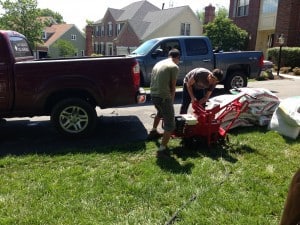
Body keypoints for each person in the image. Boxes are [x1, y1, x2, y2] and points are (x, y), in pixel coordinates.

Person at [147, 48, 180, 158]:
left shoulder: (159, 63)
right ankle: (162, 150)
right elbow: (173, 86)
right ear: (177, 58)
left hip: (153, 95)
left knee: (160, 113)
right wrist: (171, 101)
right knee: (170, 124)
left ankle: (153, 131)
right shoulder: (174, 66)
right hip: (164, 97)